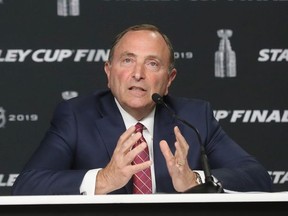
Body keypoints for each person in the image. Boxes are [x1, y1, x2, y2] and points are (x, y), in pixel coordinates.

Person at [12, 24, 272, 195]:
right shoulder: (77, 116)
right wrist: (103, 179)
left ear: (169, 80)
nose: (138, 74)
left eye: (152, 64)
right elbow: (26, 186)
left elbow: (257, 177)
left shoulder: (194, 118)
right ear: (108, 71)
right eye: (127, 60)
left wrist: (196, 180)